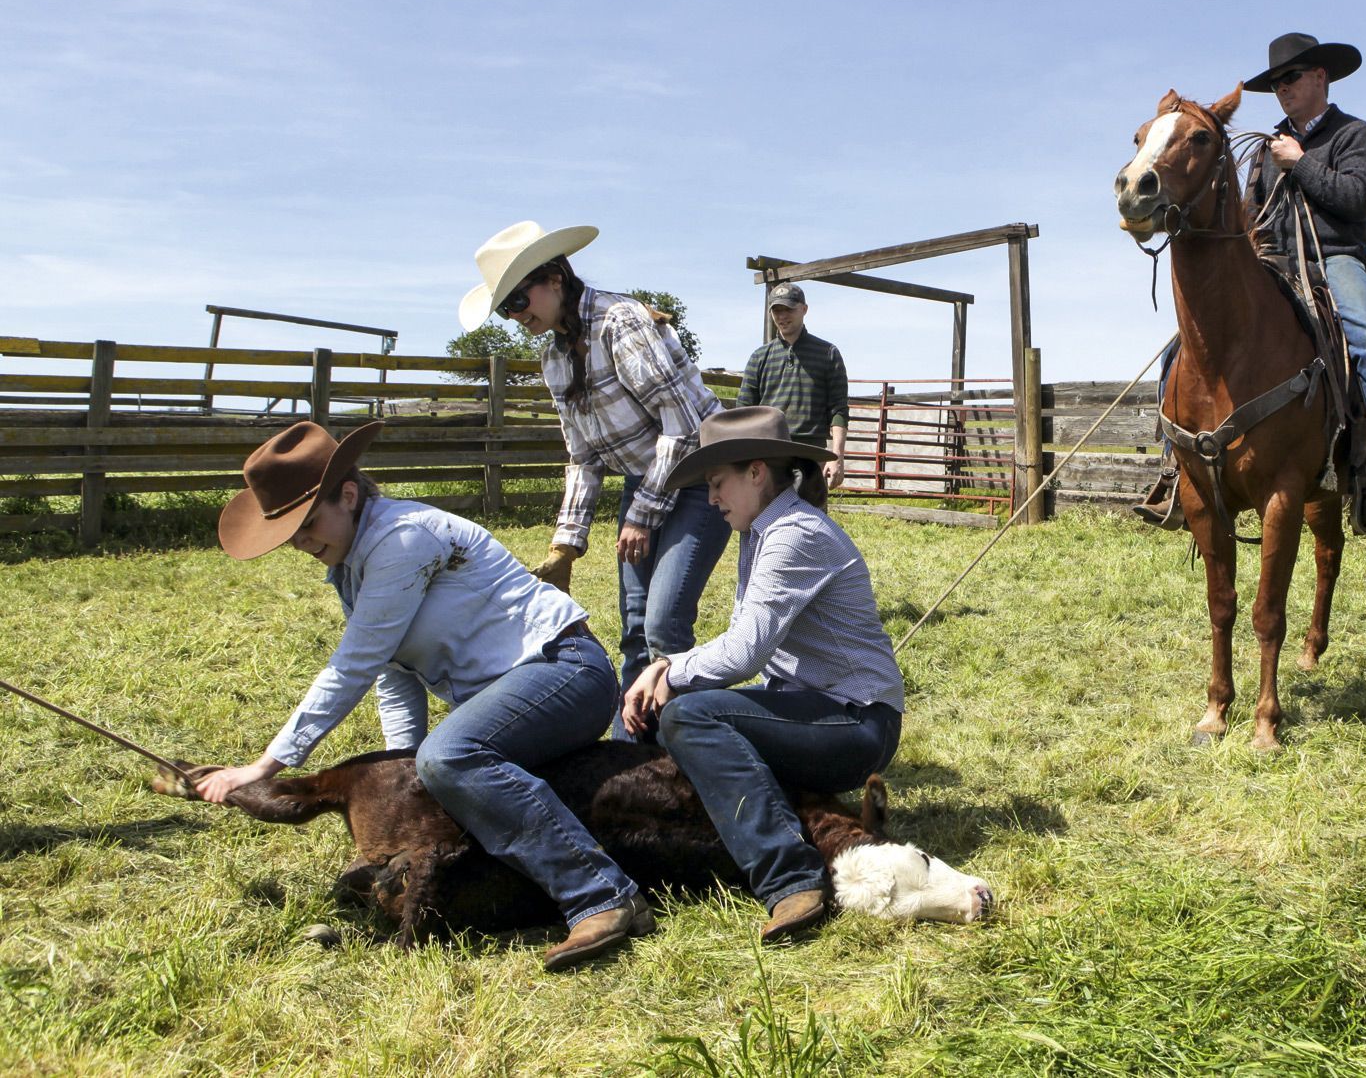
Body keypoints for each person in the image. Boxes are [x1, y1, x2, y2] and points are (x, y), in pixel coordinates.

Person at [195, 420, 653, 971]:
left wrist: (265, 765)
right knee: (435, 766)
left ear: (347, 494)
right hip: (521, 689)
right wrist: (400, 768)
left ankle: (602, 894)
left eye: (307, 523)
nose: (301, 542)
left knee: (452, 756)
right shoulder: (351, 566)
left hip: (565, 671)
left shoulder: (401, 538)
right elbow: (393, 675)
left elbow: (355, 665)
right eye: (290, 534)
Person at [620, 405, 904, 944]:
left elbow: (744, 654)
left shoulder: (795, 533)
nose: (711, 499)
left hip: (857, 722)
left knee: (688, 717)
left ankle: (792, 877)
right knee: (663, 715)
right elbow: (738, 643)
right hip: (817, 710)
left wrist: (667, 666)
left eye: (717, 483)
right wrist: (665, 677)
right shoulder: (762, 532)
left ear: (755, 472)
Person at [461, 222, 733, 743]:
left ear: (556, 277)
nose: (518, 317)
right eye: (506, 309)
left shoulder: (620, 322)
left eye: (519, 300)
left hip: (703, 478)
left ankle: (698, 748)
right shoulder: (555, 357)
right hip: (647, 481)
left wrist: (639, 514)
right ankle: (635, 751)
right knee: (633, 625)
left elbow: (683, 425)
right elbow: (582, 456)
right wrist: (566, 543)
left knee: (662, 624)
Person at [1134, 32, 1366, 536]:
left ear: (1320, 77)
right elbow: (1252, 211)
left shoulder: (1354, 136)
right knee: (1180, 352)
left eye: (1291, 78)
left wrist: (1300, 162)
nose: (1282, 89)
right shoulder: (1263, 149)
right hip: (1272, 262)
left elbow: (1356, 199)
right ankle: (1175, 472)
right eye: (1276, 82)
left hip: (1335, 261)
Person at [737, 282, 849, 491]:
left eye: (788, 309)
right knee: (763, 518)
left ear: (804, 309)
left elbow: (838, 410)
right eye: (777, 310)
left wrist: (836, 457)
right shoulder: (759, 357)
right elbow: (744, 411)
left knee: (809, 520)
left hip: (811, 455)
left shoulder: (827, 353)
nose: (782, 316)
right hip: (768, 455)